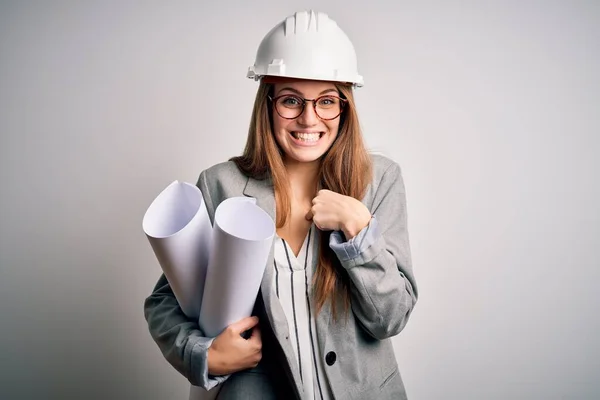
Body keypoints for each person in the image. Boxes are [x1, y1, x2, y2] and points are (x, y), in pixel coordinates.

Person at [144, 10, 418, 400]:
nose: (309, 118)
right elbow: (164, 302)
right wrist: (205, 355)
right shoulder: (221, 184)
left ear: (345, 107)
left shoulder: (380, 181)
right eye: (291, 100)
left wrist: (360, 231)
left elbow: (390, 318)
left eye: (326, 101)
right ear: (268, 103)